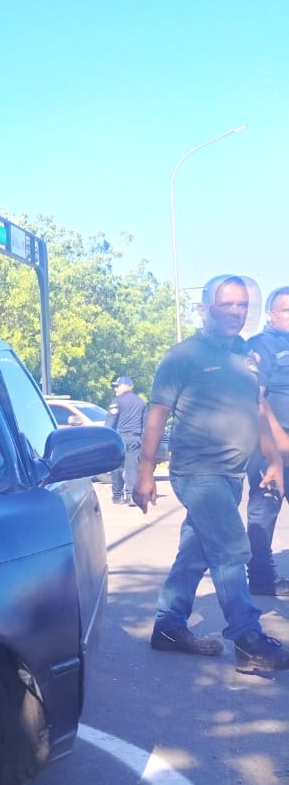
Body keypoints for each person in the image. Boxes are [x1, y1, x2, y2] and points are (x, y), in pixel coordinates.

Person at [132, 274, 289, 673]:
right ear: (206, 308)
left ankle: (168, 626)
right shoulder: (183, 355)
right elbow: (156, 416)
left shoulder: (246, 357)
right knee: (232, 550)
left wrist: (273, 460)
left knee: (196, 552)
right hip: (197, 472)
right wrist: (145, 473)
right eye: (227, 305)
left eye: (241, 305)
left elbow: (258, 410)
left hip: (231, 474)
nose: (236, 312)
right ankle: (247, 639)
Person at [246, 286, 289, 597]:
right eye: (286, 310)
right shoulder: (261, 346)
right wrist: (279, 439)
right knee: (264, 511)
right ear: (272, 314)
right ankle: (262, 577)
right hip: (270, 444)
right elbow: (255, 395)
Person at [105, 376, 146, 504]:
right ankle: (130, 496)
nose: (115, 389)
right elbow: (145, 425)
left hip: (120, 438)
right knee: (132, 466)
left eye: (117, 386)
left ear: (127, 386)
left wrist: (106, 438)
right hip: (135, 438)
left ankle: (117, 496)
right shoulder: (141, 402)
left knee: (117, 466)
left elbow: (110, 423)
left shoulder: (117, 401)